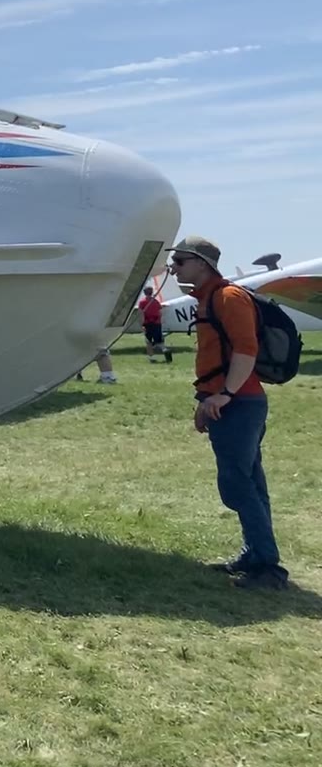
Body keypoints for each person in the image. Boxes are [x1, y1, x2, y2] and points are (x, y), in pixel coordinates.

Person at [170, 235, 288, 590]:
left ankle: (268, 567)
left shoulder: (228, 297)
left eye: (180, 261)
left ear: (202, 264)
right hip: (229, 402)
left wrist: (223, 395)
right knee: (249, 482)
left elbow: (245, 351)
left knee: (238, 485)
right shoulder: (209, 299)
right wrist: (206, 400)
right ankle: (256, 554)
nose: (173, 268)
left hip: (239, 404)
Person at [140, 284, 169, 362]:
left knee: (148, 341)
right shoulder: (156, 302)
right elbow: (160, 313)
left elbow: (141, 314)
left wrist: (142, 324)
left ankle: (151, 358)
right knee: (159, 341)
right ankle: (165, 350)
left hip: (147, 324)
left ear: (144, 293)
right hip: (156, 323)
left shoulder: (142, 302)